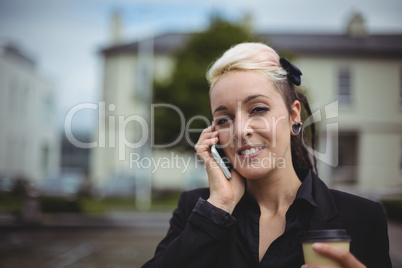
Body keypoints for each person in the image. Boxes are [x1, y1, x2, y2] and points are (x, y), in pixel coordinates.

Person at [142, 43, 391, 268]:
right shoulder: (197, 210)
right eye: (224, 118)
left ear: (294, 116)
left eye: (258, 109)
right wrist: (220, 206)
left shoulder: (363, 218)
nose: (240, 130)